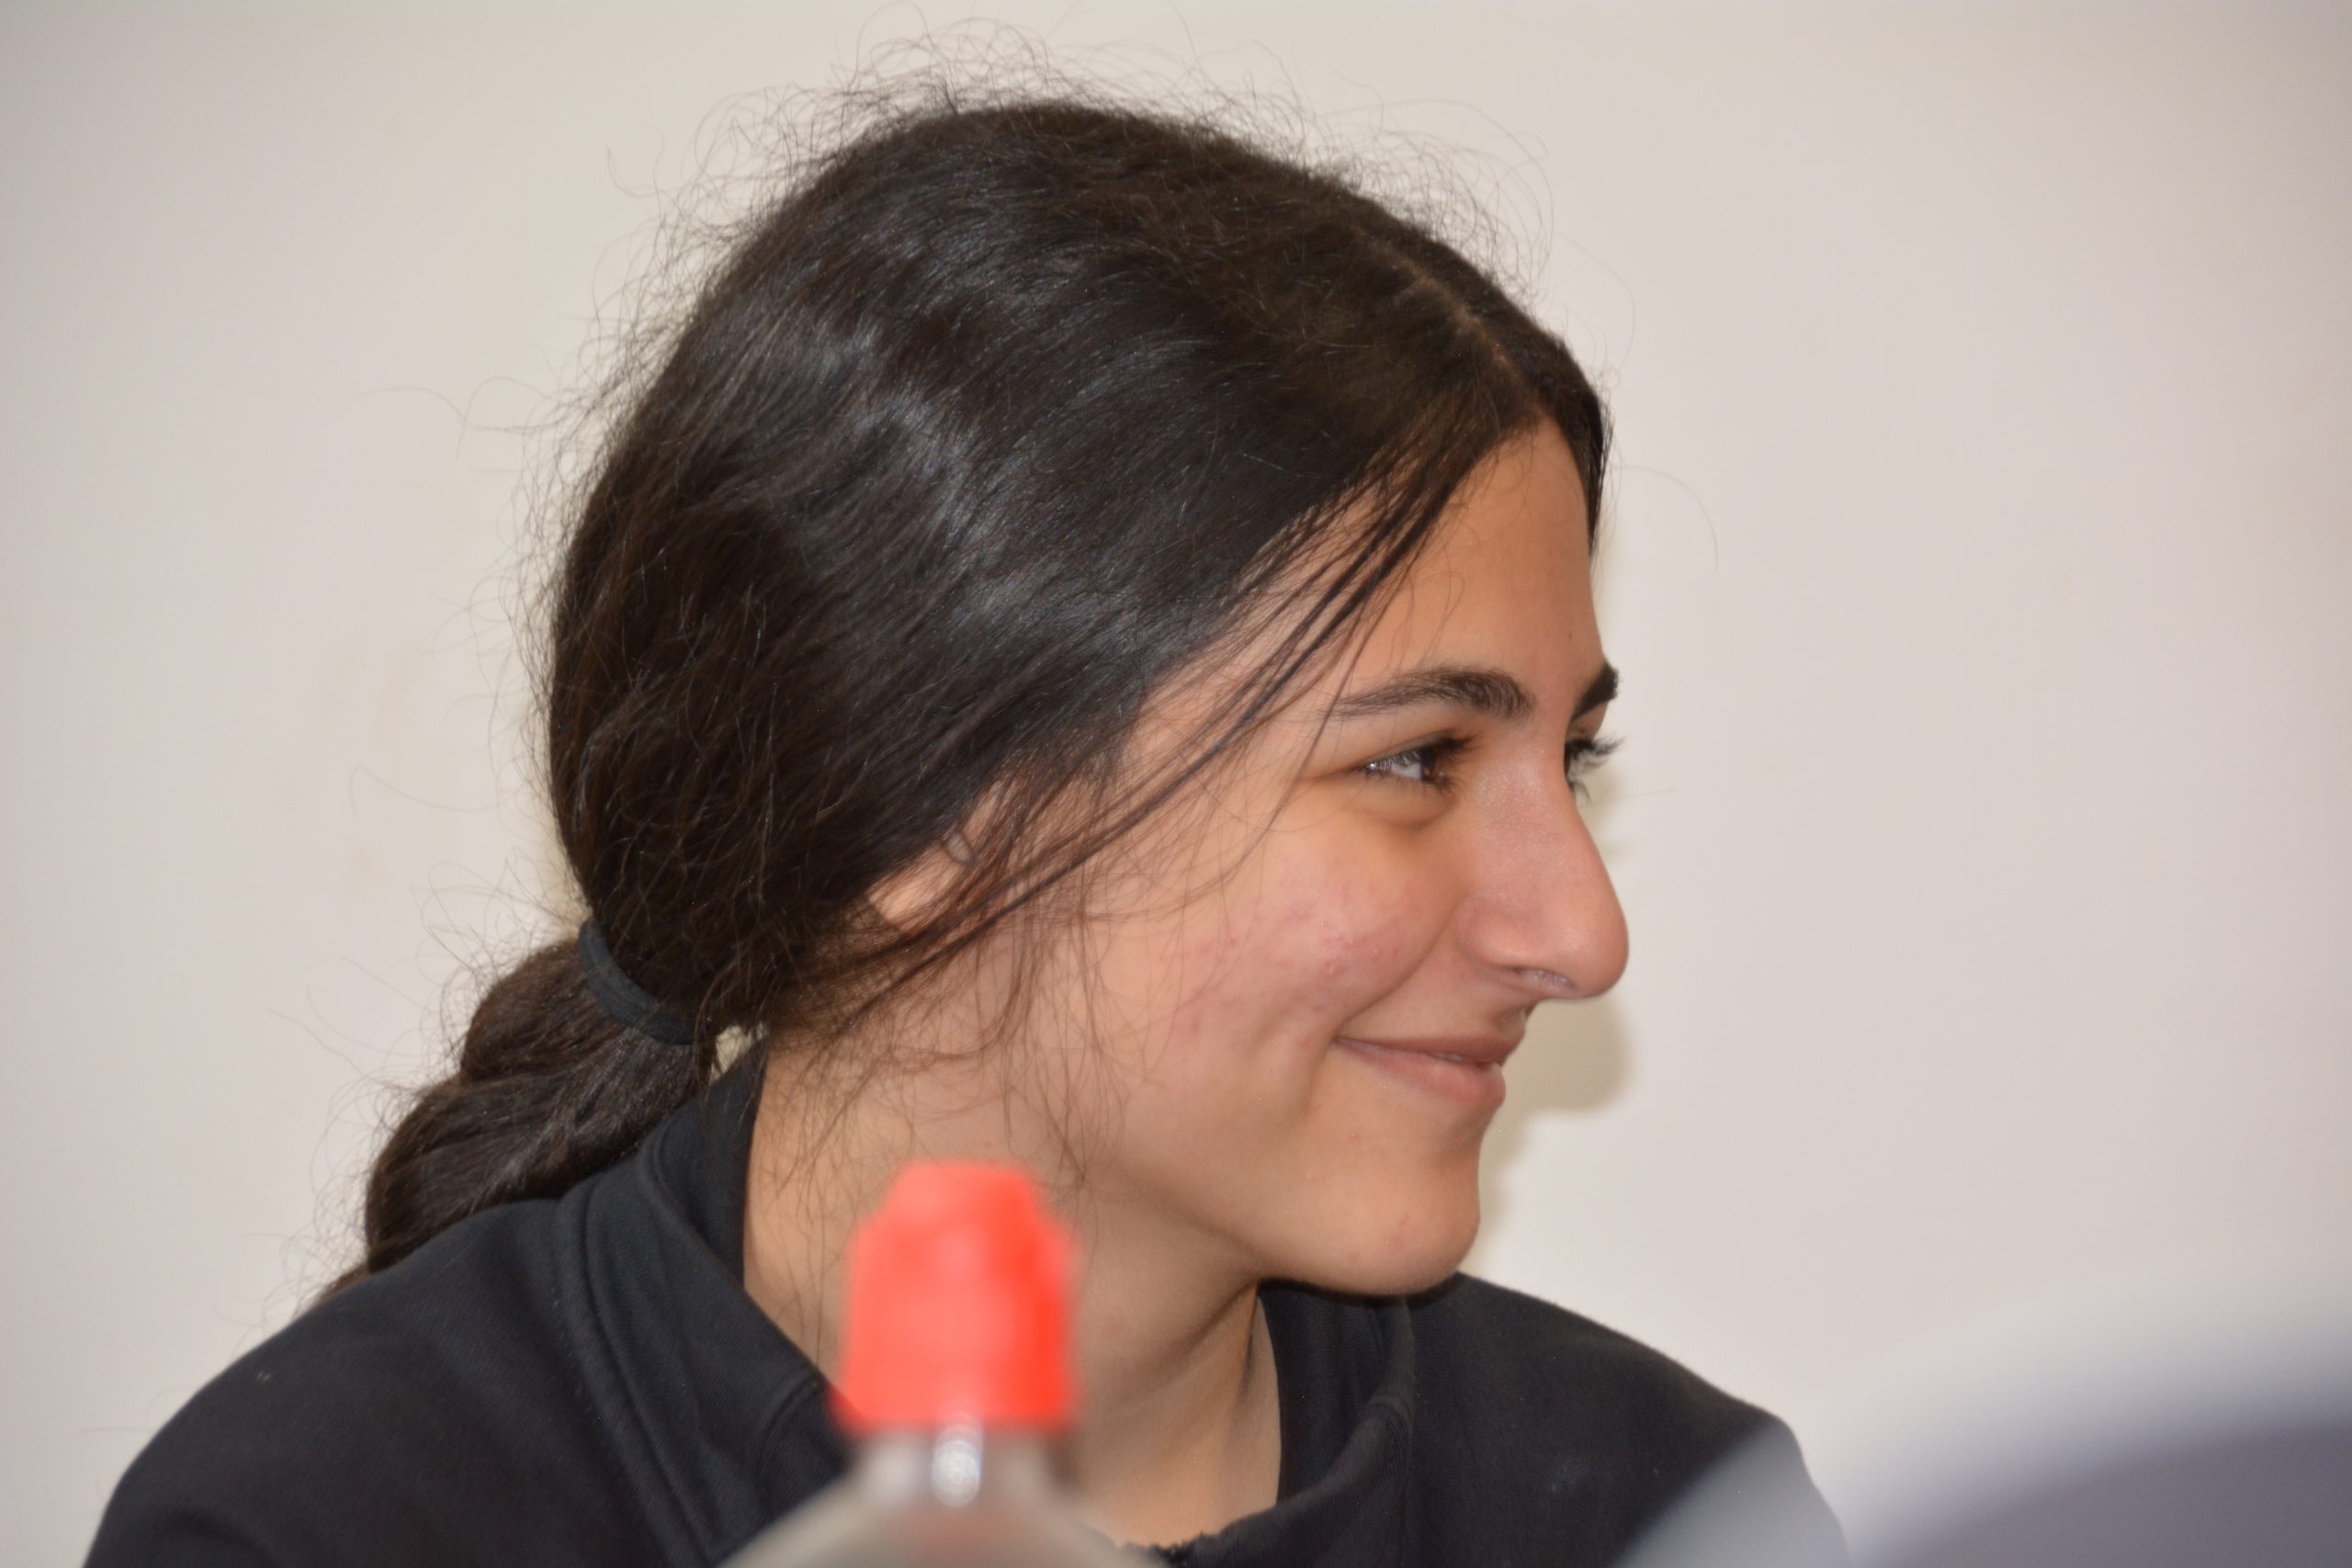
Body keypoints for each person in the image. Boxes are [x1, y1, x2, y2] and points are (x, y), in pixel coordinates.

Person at [86, 74, 1846, 1568]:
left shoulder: (1666, 1521)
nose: (1581, 933)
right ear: (915, 808)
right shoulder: (329, 1525)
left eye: (1573, 758)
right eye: (1417, 761)